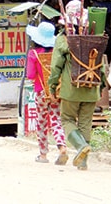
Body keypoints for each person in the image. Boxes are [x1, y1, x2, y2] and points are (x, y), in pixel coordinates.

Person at [48, 0, 106, 171]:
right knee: (85, 124)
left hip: (70, 89)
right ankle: (83, 162)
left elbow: (56, 66)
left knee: (66, 119)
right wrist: (100, 87)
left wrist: (51, 87)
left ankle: (80, 147)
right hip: (91, 88)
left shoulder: (64, 39)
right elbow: (100, 66)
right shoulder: (95, 38)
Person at [26, 21, 68, 165]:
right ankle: (62, 146)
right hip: (56, 91)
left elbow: (30, 75)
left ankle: (43, 154)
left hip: (41, 92)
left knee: (42, 121)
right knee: (56, 119)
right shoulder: (57, 53)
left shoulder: (33, 54)